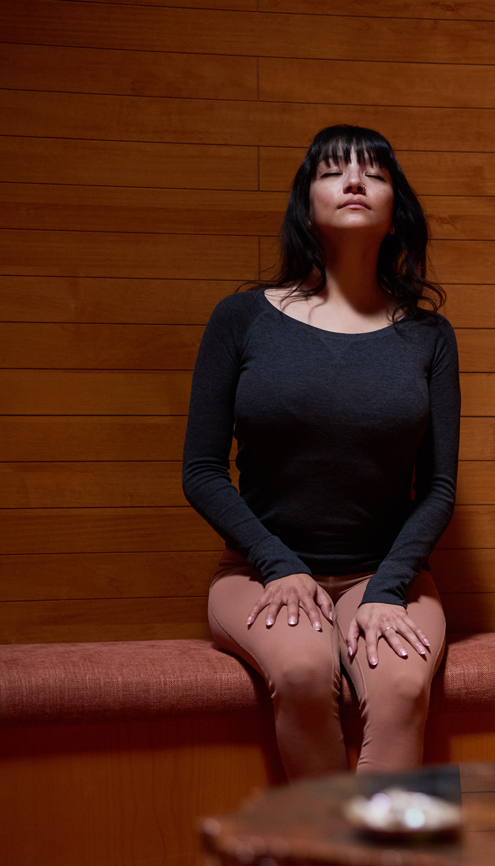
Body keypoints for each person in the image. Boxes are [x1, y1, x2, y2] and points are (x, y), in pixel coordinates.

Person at [182, 125, 460, 779]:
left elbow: (440, 486)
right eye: (334, 170)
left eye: (375, 172)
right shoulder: (242, 319)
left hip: (387, 574)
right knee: (306, 671)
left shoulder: (429, 336)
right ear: (307, 206)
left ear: (396, 211)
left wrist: (386, 590)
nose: (356, 181)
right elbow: (200, 470)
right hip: (260, 572)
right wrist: (277, 565)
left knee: (401, 688)